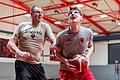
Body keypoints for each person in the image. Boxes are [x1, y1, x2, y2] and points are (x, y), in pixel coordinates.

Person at [7, 5, 56, 80]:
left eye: (41, 13)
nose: (40, 14)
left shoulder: (45, 26)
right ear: (31, 14)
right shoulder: (22, 26)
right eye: (37, 12)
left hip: (37, 63)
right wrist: (19, 52)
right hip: (22, 62)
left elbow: (52, 38)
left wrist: (54, 44)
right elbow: (10, 43)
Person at [55, 5, 95, 80]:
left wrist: (87, 56)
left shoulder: (88, 32)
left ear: (81, 18)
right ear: (68, 19)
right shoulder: (61, 35)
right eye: (70, 13)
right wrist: (66, 61)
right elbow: (57, 53)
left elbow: (90, 46)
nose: (73, 14)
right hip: (66, 70)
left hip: (83, 68)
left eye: (76, 12)